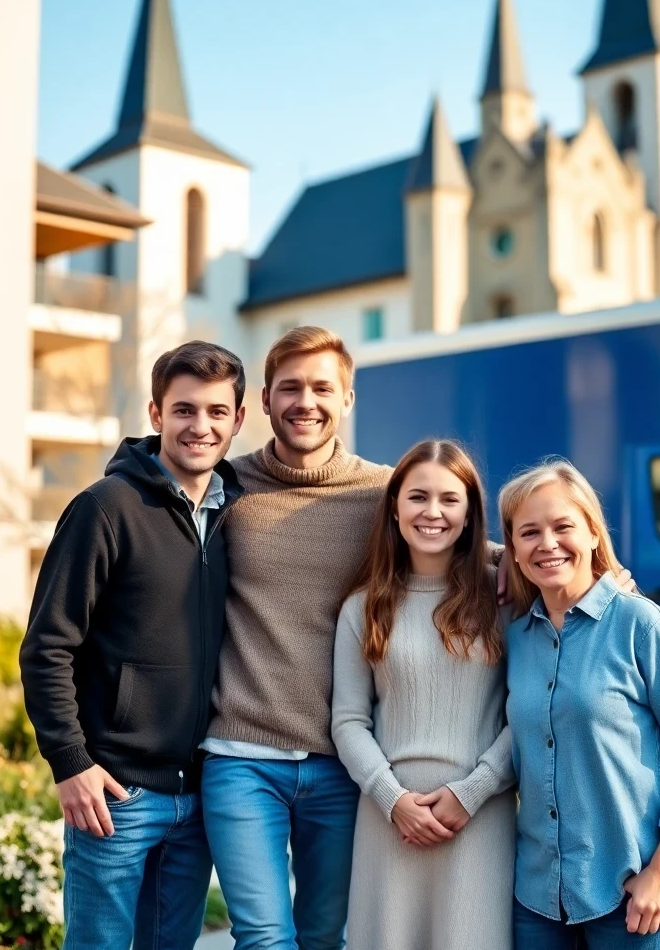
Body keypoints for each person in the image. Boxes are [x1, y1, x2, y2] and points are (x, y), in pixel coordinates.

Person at [200, 327, 507, 950]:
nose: (305, 402)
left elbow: (457, 533)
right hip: (243, 752)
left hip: (337, 767)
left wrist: (586, 570)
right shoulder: (225, 489)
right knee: (262, 936)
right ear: (263, 400)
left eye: (321, 388)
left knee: (324, 936)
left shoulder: (383, 490)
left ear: (347, 400)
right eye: (290, 388)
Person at [19, 341, 247, 950]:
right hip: (116, 794)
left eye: (216, 412)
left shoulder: (233, 517)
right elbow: (46, 647)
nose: (200, 426)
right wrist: (71, 763)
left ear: (238, 421)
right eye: (184, 410)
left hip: (196, 795)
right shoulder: (105, 508)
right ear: (156, 414)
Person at [499, 459, 660, 950]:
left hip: (632, 889)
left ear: (592, 534)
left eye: (563, 526)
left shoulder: (641, 625)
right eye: (529, 532)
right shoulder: (516, 639)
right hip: (537, 897)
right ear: (513, 549)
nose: (547, 543)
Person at [332, 439, 516, 950]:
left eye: (449, 499)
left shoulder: (503, 600)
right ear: (394, 508)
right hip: (388, 822)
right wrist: (393, 801)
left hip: (480, 820)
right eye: (417, 497)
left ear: (470, 511)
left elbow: (527, 714)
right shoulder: (364, 607)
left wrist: (473, 791)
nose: (432, 512)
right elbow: (348, 722)